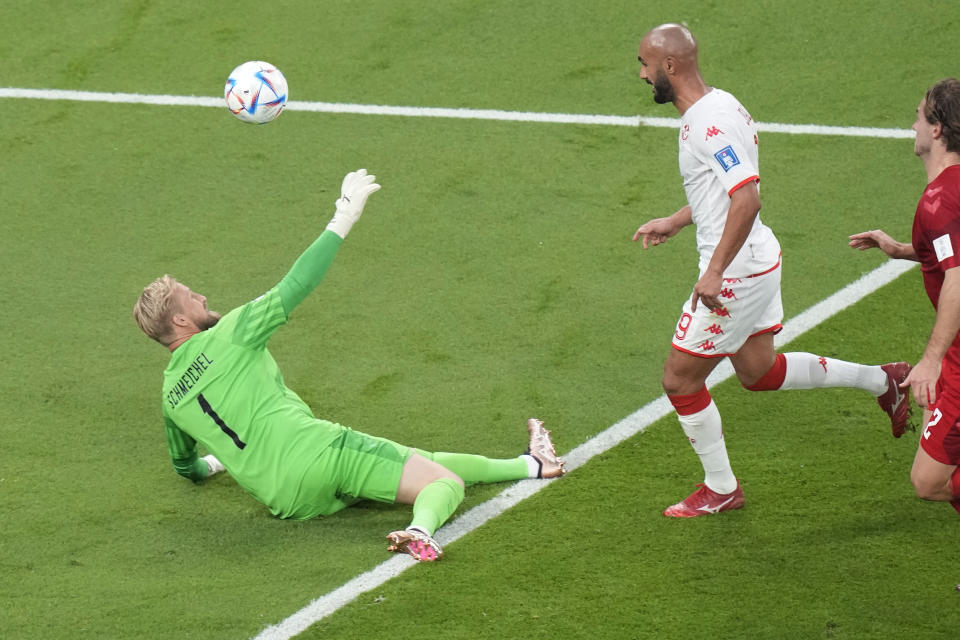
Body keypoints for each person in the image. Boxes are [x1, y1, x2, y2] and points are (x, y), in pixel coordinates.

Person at [133, 169, 566, 562]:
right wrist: (343, 218)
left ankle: (532, 464)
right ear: (181, 320)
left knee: (419, 460)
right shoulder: (230, 332)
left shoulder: (170, 397)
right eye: (193, 297)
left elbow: (185, 468)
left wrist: (217, 462)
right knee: (442, 484)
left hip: (290, 501)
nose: (203, 297)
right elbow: (296, 284)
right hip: (321, 455)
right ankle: (420, 531)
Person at [632, 23, 910, 517]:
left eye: (644, 64)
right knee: (758, 372)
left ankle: (721, 488)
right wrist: (678, 220)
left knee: (679, 381)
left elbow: (747, 197)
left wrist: (714, 271)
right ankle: (882, 381)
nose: (640, 74)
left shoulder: (706, 124)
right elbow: (723, 189)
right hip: (758, 259)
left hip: (737, 273)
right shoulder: (724, 104)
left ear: (668, 67)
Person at [849, 78, 960, 517]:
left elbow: (957, 275)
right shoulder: (950, 192)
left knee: (929, 480)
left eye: (918, 115)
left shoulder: (939, 200)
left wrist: (931, 358)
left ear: (936, 130)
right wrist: (900, 250)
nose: (912, 124)